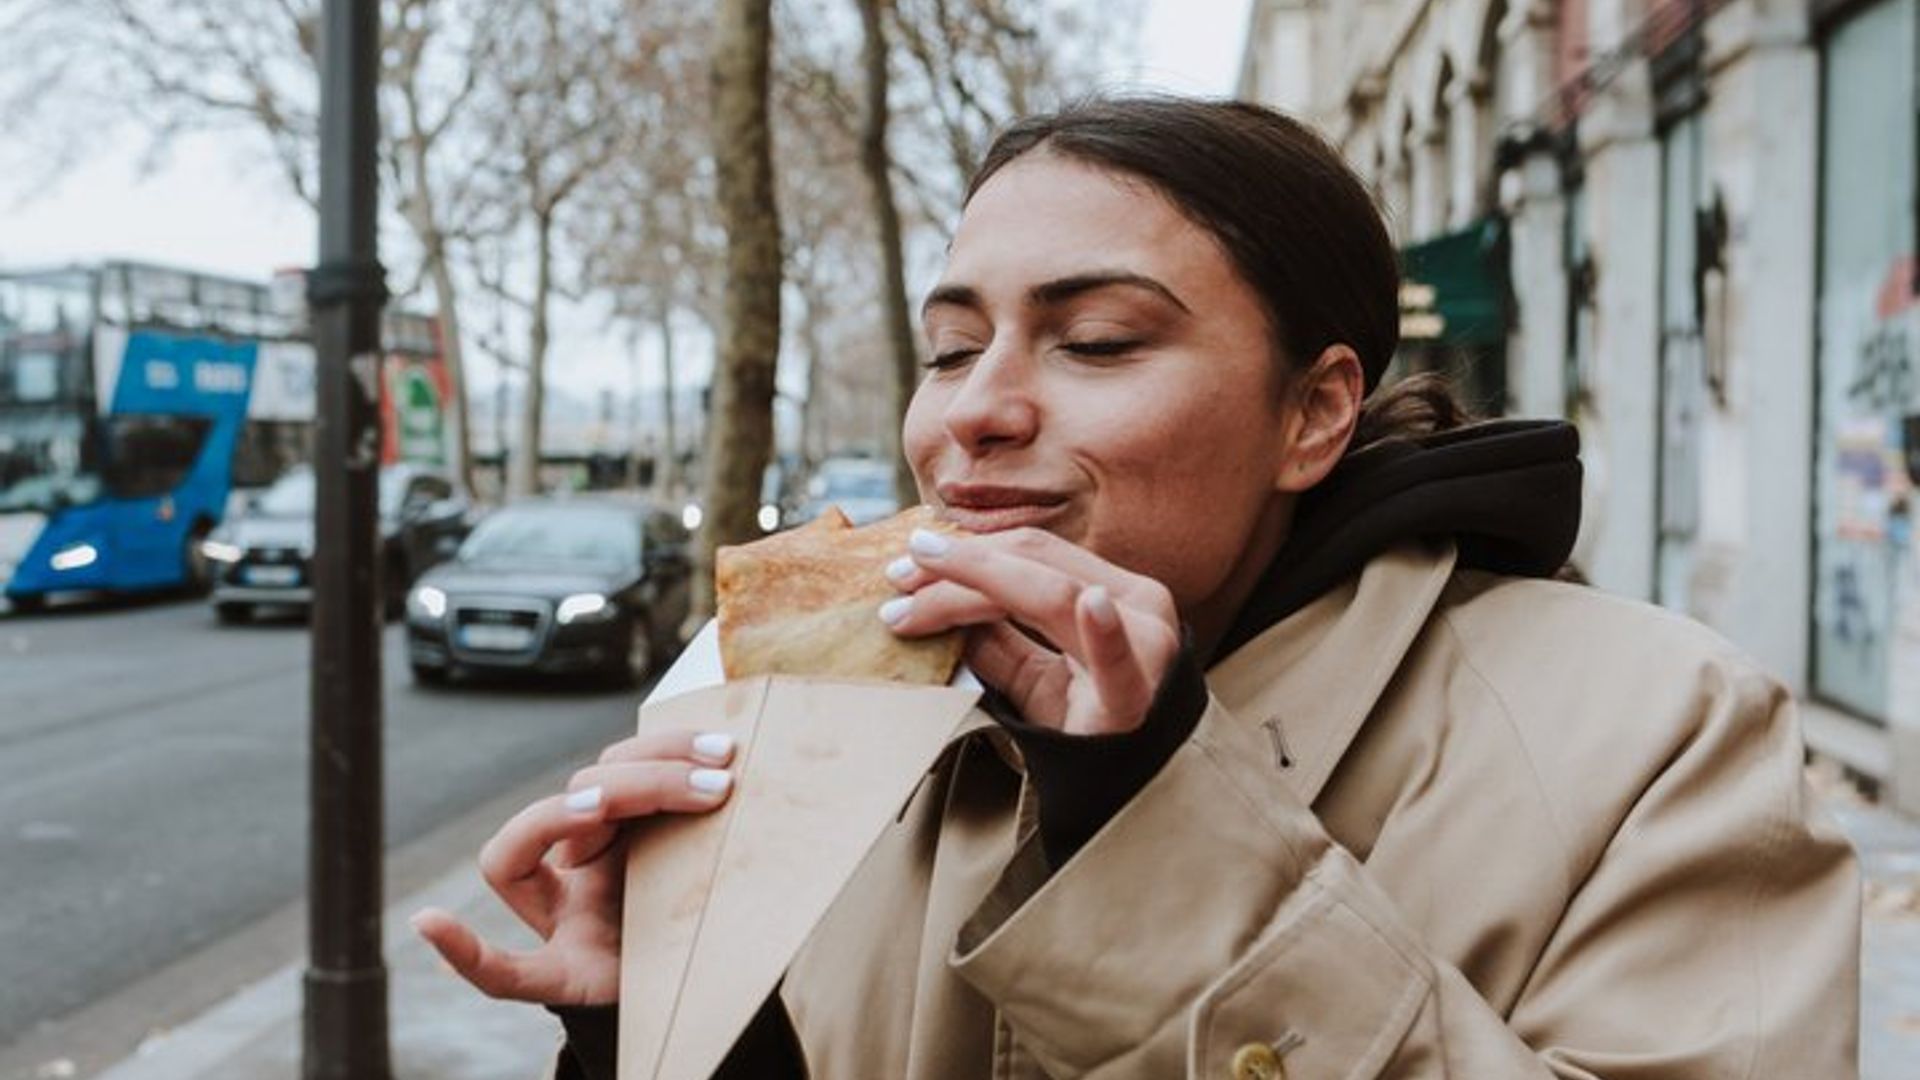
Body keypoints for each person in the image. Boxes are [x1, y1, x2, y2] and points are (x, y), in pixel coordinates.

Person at [411, 96, 1860, 1078]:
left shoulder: (1664, 728)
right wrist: (666, 1024)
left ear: (1316, 412)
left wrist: (1156, 823)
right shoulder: (831, 730)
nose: (974, 411)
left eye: (1096, 341)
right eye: (950, 346)